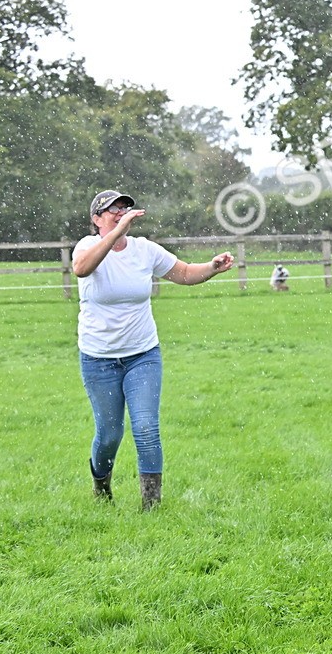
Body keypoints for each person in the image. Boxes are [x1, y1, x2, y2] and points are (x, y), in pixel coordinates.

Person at [73, 190, 234, 510]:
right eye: (112, 209)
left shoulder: (144, 249)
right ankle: (101, 487)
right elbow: (81, 269)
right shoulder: (87, 246)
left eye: (124, 208)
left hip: (142, 355)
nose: (120, 213)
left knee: (146, 428)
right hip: (98, 359)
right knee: (109, 434)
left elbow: (184, 273)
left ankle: (152, 507)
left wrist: (212, 267)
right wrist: (116, 234)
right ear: (96, 219)